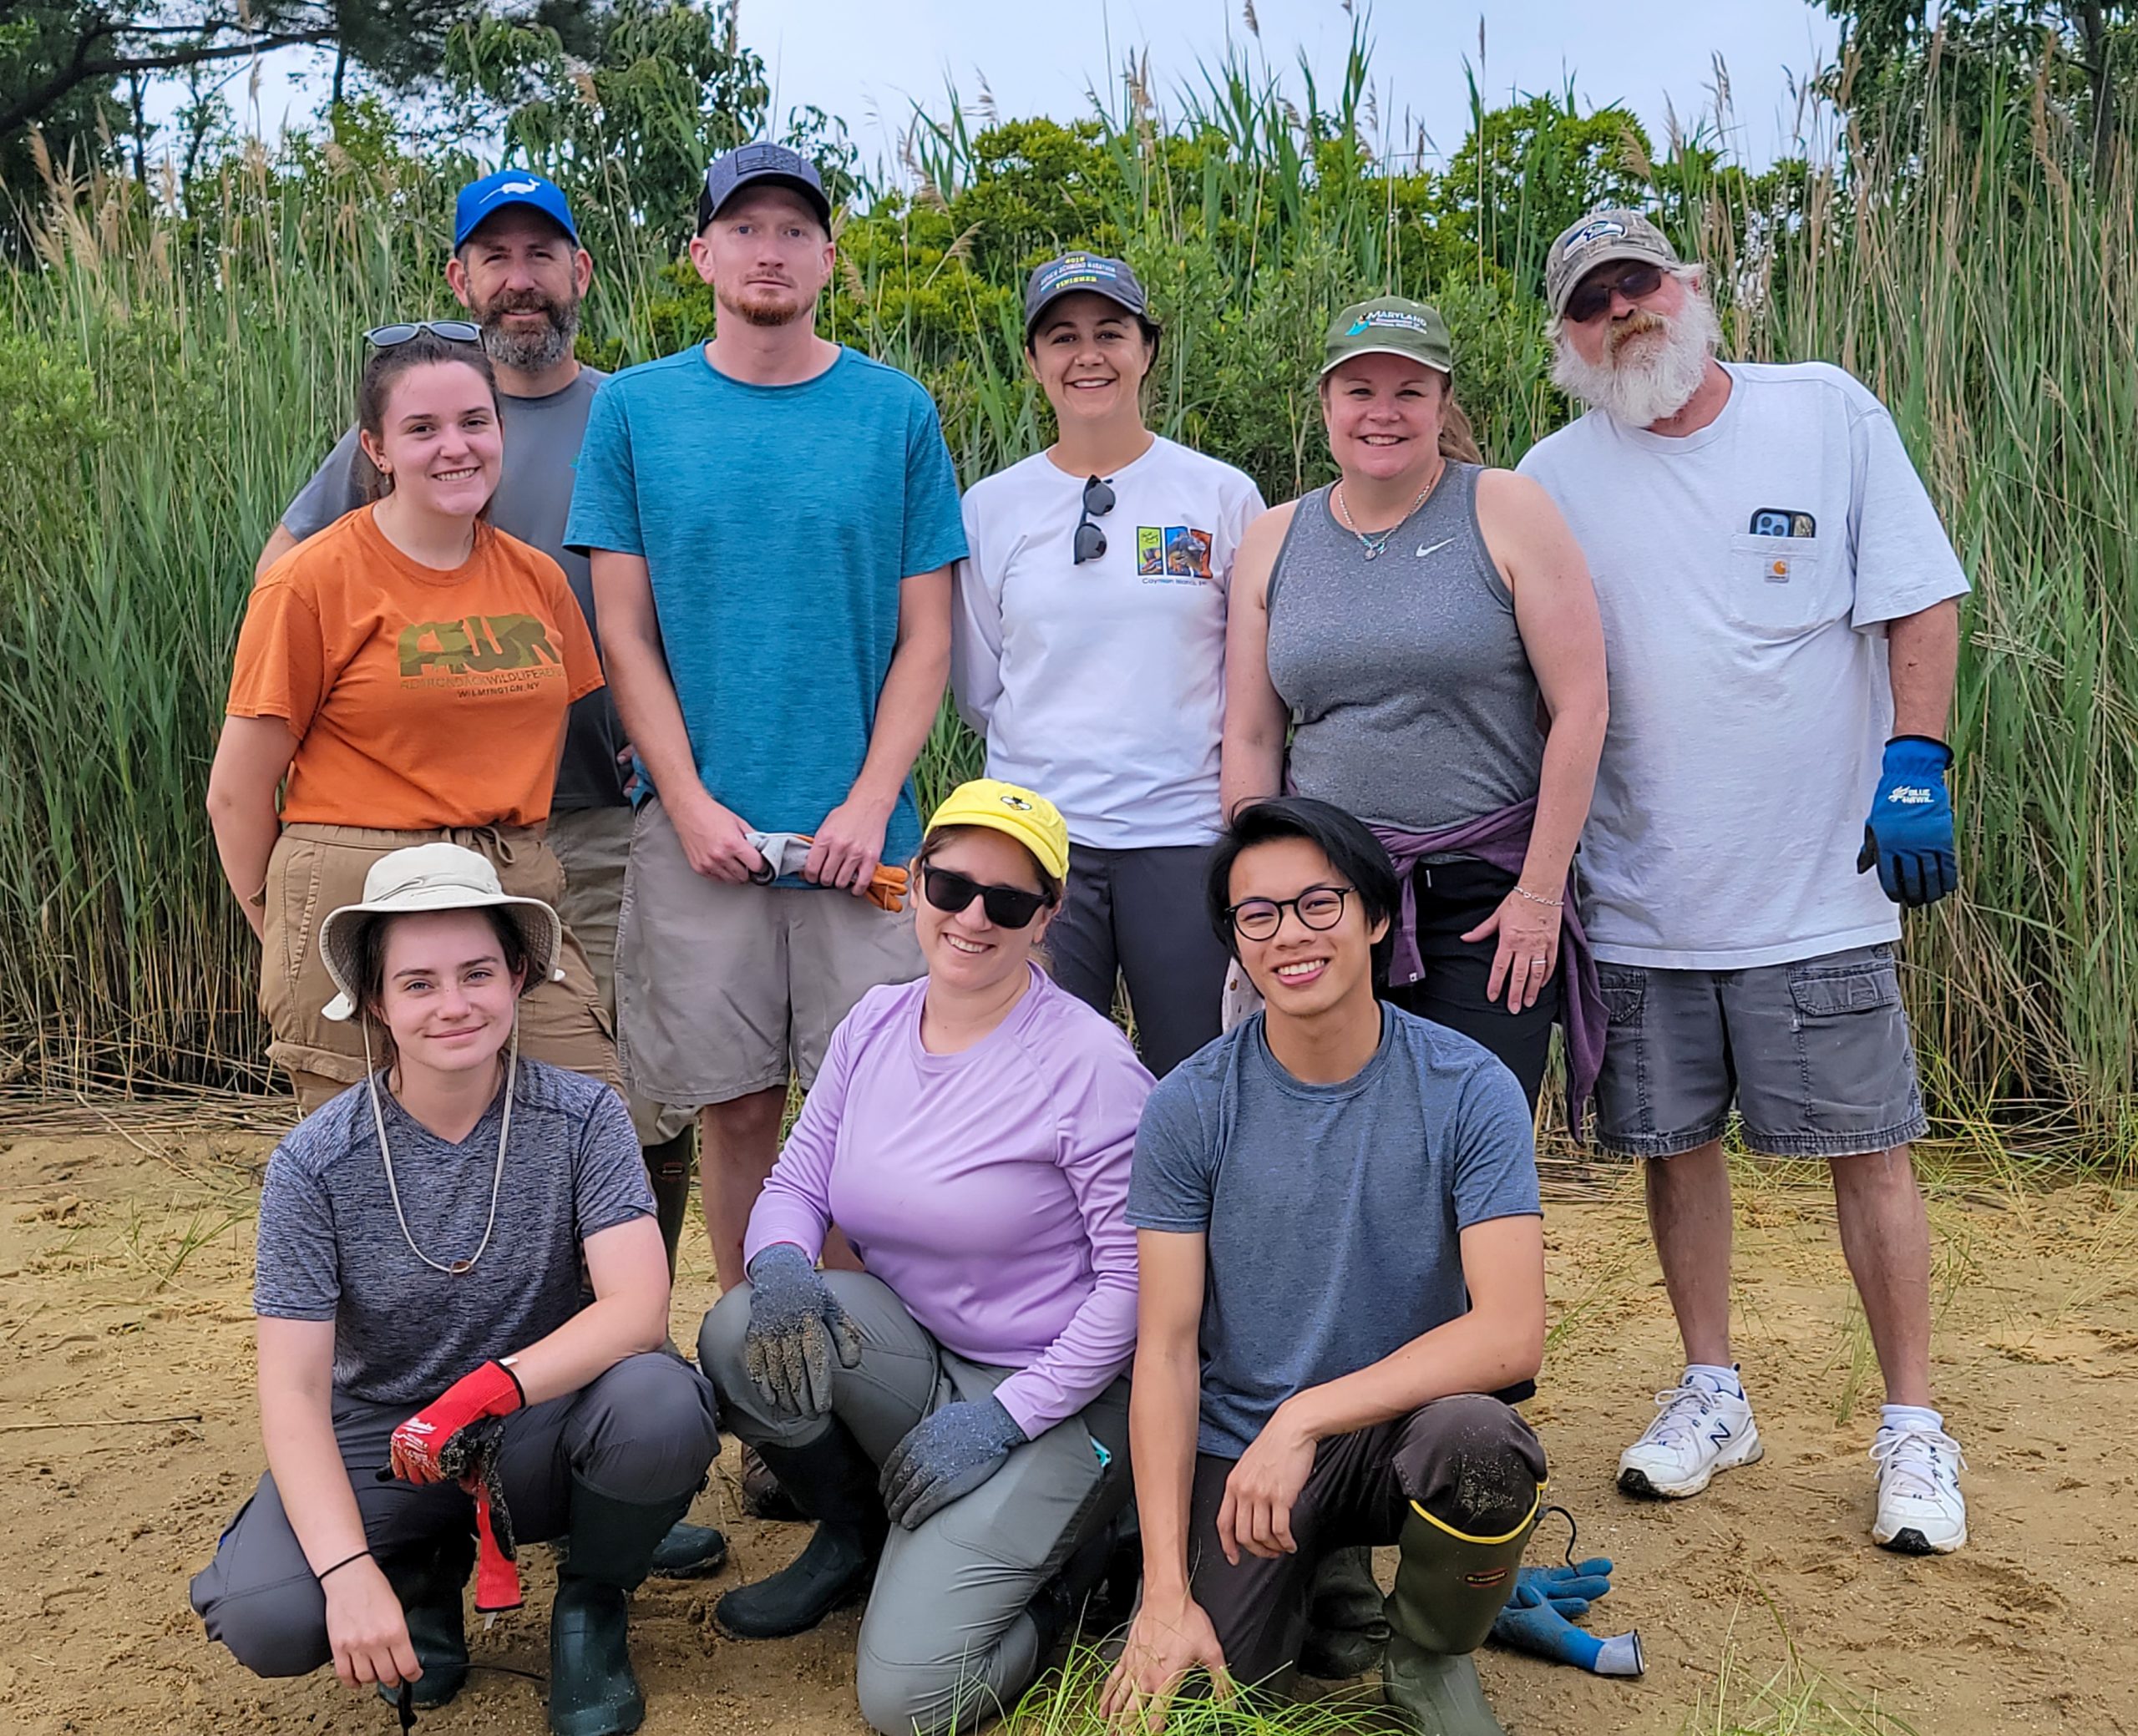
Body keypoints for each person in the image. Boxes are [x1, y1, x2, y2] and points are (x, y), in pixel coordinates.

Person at [1517, 209, 1971, 1553]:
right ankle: (1713, 1388)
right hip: (1644, 890)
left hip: (1818, 880)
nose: (1623, 313)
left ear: (1691, 285)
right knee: (1673, 1148)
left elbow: (1920, 596)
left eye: (1638, 283)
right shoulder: (1551, 476)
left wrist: (1916, 759)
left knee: (1869, 1150)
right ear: (1564, 336)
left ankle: (1912, 1422)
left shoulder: (1824, 411)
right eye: (1592, 300)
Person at [251, 168, 699, 1284]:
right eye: (496, 257)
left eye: (542, 254)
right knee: (414, 1104)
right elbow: (289, 573)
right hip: (410, 835)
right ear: (461, 278)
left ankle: (616, 1319)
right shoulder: (415, 412)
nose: (521, 279)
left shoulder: (630, 414)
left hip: (595, 819)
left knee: (633, 1089)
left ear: (580, 271)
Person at [189, 845, 720, 1736]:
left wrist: (485, 1392)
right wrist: (345, 1572)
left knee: (661, 1406)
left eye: (477, 973)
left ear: (518, 976)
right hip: (385, 1435)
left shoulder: (585, 1117)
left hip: (541, 1417)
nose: (454, 1004)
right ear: (376, 1001)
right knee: (267, 1614)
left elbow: (637, 1309)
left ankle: (592, 1600)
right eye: (418, 983)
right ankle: (417, 1568)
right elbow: (293, 1391)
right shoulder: (313, 1164)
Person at [566, 141, 966, 1293]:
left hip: (864, 842)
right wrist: (689, 805)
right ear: (701, 254)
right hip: (701, 837)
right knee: (737, 1108)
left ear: (829, 258)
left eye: (795, 230)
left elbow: (926, 637)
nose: (769, 251)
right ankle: (758, 1355)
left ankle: (861, 1362)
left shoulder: (894, 412)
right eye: (744, 229)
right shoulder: (636, 411)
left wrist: (870, 802)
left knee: (868, 1112)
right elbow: (624, 635)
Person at [697, 780, 1150, 1734]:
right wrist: (780, 1266)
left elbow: (1133, 1286)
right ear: (915, 886)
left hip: (1059, 1390)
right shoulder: (875, 1022)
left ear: (1046, 919)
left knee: (911, 1699)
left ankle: (1065, 1586)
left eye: (1009, 902)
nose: (972, 917)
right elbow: (797, 1183)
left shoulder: (1091, 1066)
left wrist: (1005, 1420)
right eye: (951, 887)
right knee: (743, 1330)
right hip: (920, 1352)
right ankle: (857, 1536)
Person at [1102, 797, 1549, 1736]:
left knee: (1481, 1445)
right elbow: (1167, 1348)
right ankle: (1313, 1578)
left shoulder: (1470, 1088)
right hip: (1242, 1454)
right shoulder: (1189, 1105)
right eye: (1257, 915)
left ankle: (1427, 1651)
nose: (1289, 935)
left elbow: (1510, 1336)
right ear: (1235, 940)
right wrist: (1164, 1591)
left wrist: (1305, 1417)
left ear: (1376, 917)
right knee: (1204, 1712)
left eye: (1318, 904)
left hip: (1397, 1433)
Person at [207, 326, 621, 1115]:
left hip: (504, 885)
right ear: (377, 449)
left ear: (500, 431)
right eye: (422, 428)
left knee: (584, 1115)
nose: (454, 447)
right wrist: (287, 932)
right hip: (357, 889)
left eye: (474, 422)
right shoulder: (310, 582)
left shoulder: (537, 580)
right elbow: (235, 794)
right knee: (375, 1159)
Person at [1221, 295, 1609, 1120]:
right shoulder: (1273, 539)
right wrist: (1260, 901)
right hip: (1326, 902)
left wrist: (1539, 897)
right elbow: (1251, 735)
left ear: (1442, 403)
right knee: (1328, 1137)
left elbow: (1581, 707)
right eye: (1359, 390)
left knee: (1473, 1139)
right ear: (1325, 403)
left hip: (1486, 901)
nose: (1383, 412)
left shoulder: (1505, 509)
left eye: (1409, 391)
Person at [952, 252, 1264, 1076]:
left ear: (1146, 350)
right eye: (1062, 337)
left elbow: (1252, 685)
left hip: (1184, 839)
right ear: (1033, 361)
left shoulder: (1221, 496)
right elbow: (982, 686)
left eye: (1109, 334)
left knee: (1200, 1080)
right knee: (1040, 1083)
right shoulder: (990, 508)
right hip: (1039, 843)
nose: (1087, 356)